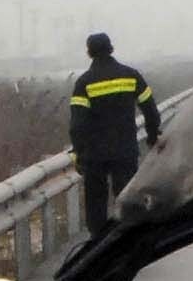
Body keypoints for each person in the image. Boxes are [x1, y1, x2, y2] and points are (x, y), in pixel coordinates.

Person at [69, 32, 164, 227]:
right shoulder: (131, 75)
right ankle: (127, 238)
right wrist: (153, 136)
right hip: (125, 149)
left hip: (94, 154)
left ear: (89, 53)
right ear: (111, 48)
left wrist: (78, 154)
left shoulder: (84, 83)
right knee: (127, 200)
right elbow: (150, 110)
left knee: (96, 202)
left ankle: (98, 243)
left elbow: (77, 125)